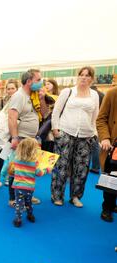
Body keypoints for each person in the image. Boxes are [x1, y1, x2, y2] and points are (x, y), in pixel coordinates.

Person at [51, 66, 99, 208]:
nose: (84, 77)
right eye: (81, 75)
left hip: (86, 135)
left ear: (91, 78)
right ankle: (57, 196)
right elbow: (56, 111)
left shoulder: (94, 95)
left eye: (87, 75)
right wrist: (55, 130)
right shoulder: (68, 92)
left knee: (81, 168)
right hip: (65, 132)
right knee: (61, 166)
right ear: (77, 76)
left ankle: (75, 196)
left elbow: (95, 116)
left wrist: (94, 133)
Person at [8, 69, 45, 207]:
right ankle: (13, 198)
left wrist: (42, 99)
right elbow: (12, 117)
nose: (41, 82)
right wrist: (15, 137)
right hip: (21, 139)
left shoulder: (34, 95)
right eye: (38, 79)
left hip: (31, 139)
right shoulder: (19, 96)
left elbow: (44, 113)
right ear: (29, 81)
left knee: (29, 169)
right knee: (16, 169)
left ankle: (28, 195)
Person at [8, 138, 51, 227]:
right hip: (29, 188)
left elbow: (12, 172)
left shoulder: (16, 160)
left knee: (19, 204)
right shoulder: (35, 163)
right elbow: (39, 173)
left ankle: (18, 219)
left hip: (18, 187)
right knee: (28, 202)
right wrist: (47, 170)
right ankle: (30, 215)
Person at [95, 86, 117, 222]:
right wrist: (105, 138)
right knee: (111, 177)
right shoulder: (112, 93)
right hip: (113, 146)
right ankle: (107, 208)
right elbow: (101, 119)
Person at [0, 79, 19, 185]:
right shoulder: (4, 100)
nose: (10, 91)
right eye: (8, 88)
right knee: (4, 154)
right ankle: (1, 175)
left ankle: (8, 177)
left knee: (13, 156)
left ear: (17, 89)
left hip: (15, 130)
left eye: (13, 88)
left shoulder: (20, 100)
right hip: (5, 130)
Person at [90, 85, 105, 174]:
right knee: (96, 144)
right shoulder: (102, 94)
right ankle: (96, 166)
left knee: (94, 145)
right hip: (100, 121)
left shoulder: (91, 94)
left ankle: (95, 167)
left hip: (91, 120)